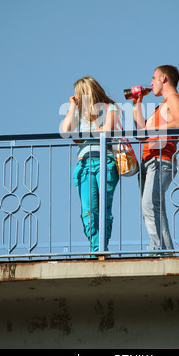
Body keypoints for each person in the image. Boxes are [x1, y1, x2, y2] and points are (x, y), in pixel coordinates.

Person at [62, 76, 119, 253]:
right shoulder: (78, 113)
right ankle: (96, 249)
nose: (76, 97)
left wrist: (83, 133)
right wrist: (71, 107)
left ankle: (101, 248)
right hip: (84, 165)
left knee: (104, 208)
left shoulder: (110, 108)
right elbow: (66, 132)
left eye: (77, 94)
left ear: (85, 92)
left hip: (105, 162)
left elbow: (107, 131)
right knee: (89, 210)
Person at [133, 65, 179, 252]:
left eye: (153, 78)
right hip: (148, 162)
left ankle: (159, 250)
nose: (151, 83)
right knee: (153, 208)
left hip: (161, 160)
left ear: (164, 79)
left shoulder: (175, 99)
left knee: (150, 205)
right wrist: (137, 103)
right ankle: (165, 251)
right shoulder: (159, 107)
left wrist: (151, 130)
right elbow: (140, 134)